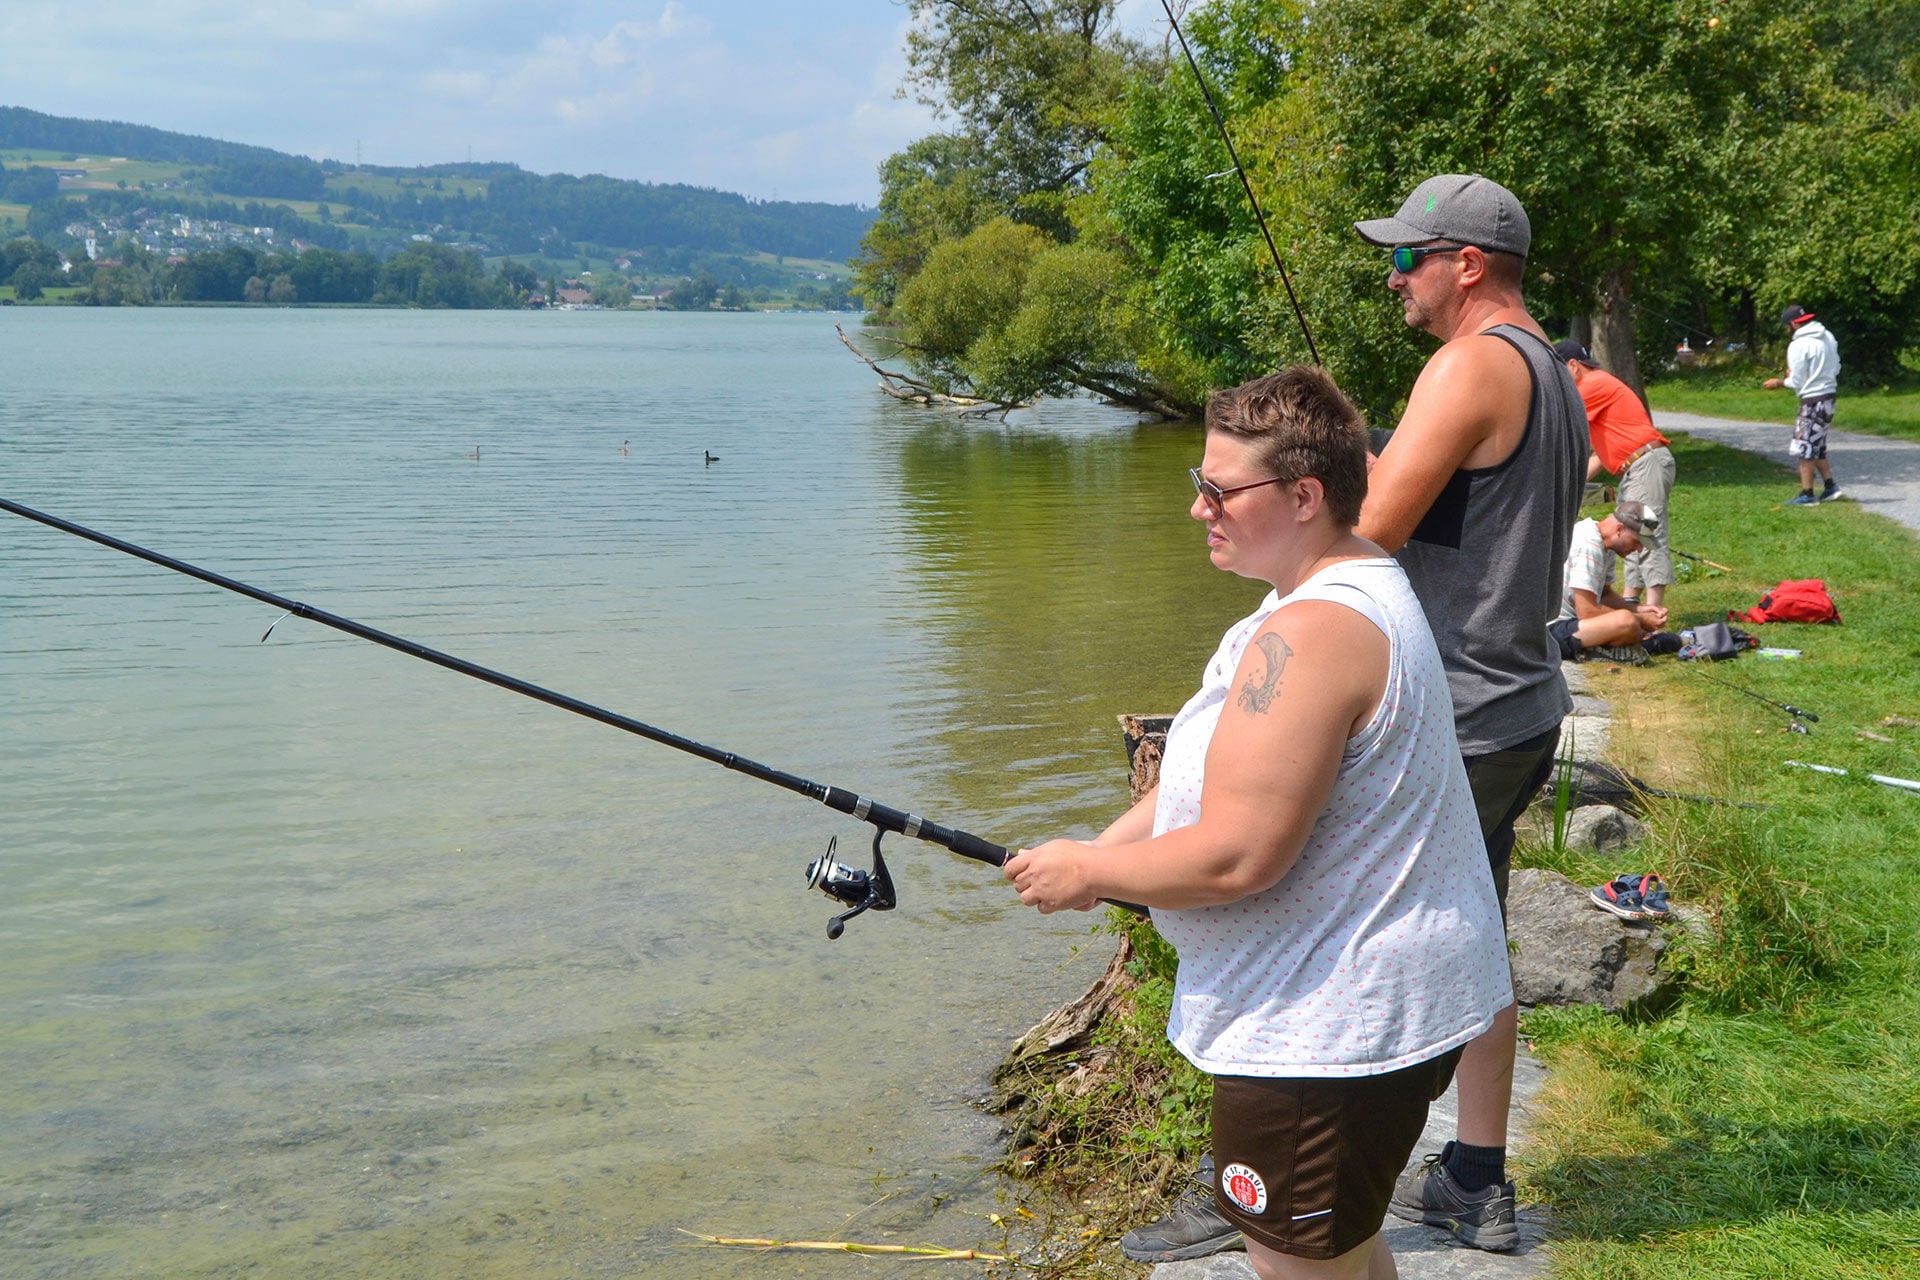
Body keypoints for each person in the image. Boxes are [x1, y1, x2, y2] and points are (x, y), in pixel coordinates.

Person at [1117, 174, 1585, 1263]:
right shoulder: (1553, 369)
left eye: (1408, 256)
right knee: (1471, 928)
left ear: (1467, 263)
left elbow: (1364, 522)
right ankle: (1472, 1170)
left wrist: (1316, 471)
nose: (1394, 277)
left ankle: (1266, 1185)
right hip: (1515, 692)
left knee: (1312, 930)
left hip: (1451, 701)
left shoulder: (1470, 362)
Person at [1008, 368, 1513, 1280]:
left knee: (1297, 1265)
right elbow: (1205, 781)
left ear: (1304, 495)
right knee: (1347, 1248)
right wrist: (1096, 856)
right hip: (1365, 1016)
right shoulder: (1329, 588)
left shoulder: (1312, 633)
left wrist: (1091, 878)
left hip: (1323, 1040)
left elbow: (1243, 854)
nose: (1200, 508)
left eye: (1219, 490)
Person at [1553, 340, 1676, 607]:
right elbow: (1599, 456)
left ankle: (1655, 611)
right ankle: (1633, 601)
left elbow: (1557, 423)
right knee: (1628, 533)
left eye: (1557, 372)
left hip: (1646, 463)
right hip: (1636, 466)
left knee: (1646, 534)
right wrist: (1568, 484)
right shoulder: (1597, 388)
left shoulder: (1591, 386)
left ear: (1573, 366)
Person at [1547, 502, 1677, 663]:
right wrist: (1640, 619)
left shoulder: (1605, 543)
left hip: (1571, 624)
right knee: (1627, 622)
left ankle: (1610, 646)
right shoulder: (1589, 545)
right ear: (1619, 529)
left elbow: (1605, 594)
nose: (1639, 549)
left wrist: (1639, 608)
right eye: (1637, 541)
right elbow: (1587, 612)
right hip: (1549, 632)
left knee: (1630, 621)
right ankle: (1601, 651)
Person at [1762, 305, 1843, 505]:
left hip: (1813, 400)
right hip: (1829, 397)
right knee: (1817, 445)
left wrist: (1778, 382)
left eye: (1786, 326)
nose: (1786, 329)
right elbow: (1836, 365)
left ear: (1794, 323)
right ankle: (1830, 487)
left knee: (1804, 446)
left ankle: (1807, 494)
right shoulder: (1828, 336)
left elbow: (1796, 382)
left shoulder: (1798, 345)